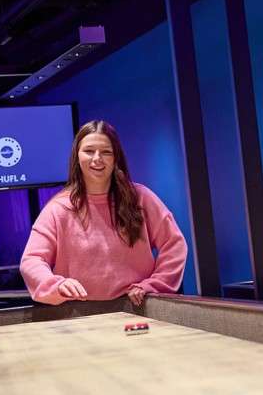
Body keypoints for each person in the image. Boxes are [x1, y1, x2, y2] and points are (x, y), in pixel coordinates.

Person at [21, 120, 187, 305]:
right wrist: (56, 285)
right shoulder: (58, 208)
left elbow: (174, 245)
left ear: (116, 158)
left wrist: (154, 285)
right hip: (78, 313)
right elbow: (32, 261)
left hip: (137, 307)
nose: (97, 158)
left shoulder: (142, 198)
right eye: (89, 151)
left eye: (106, 152)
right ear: (77, 156)